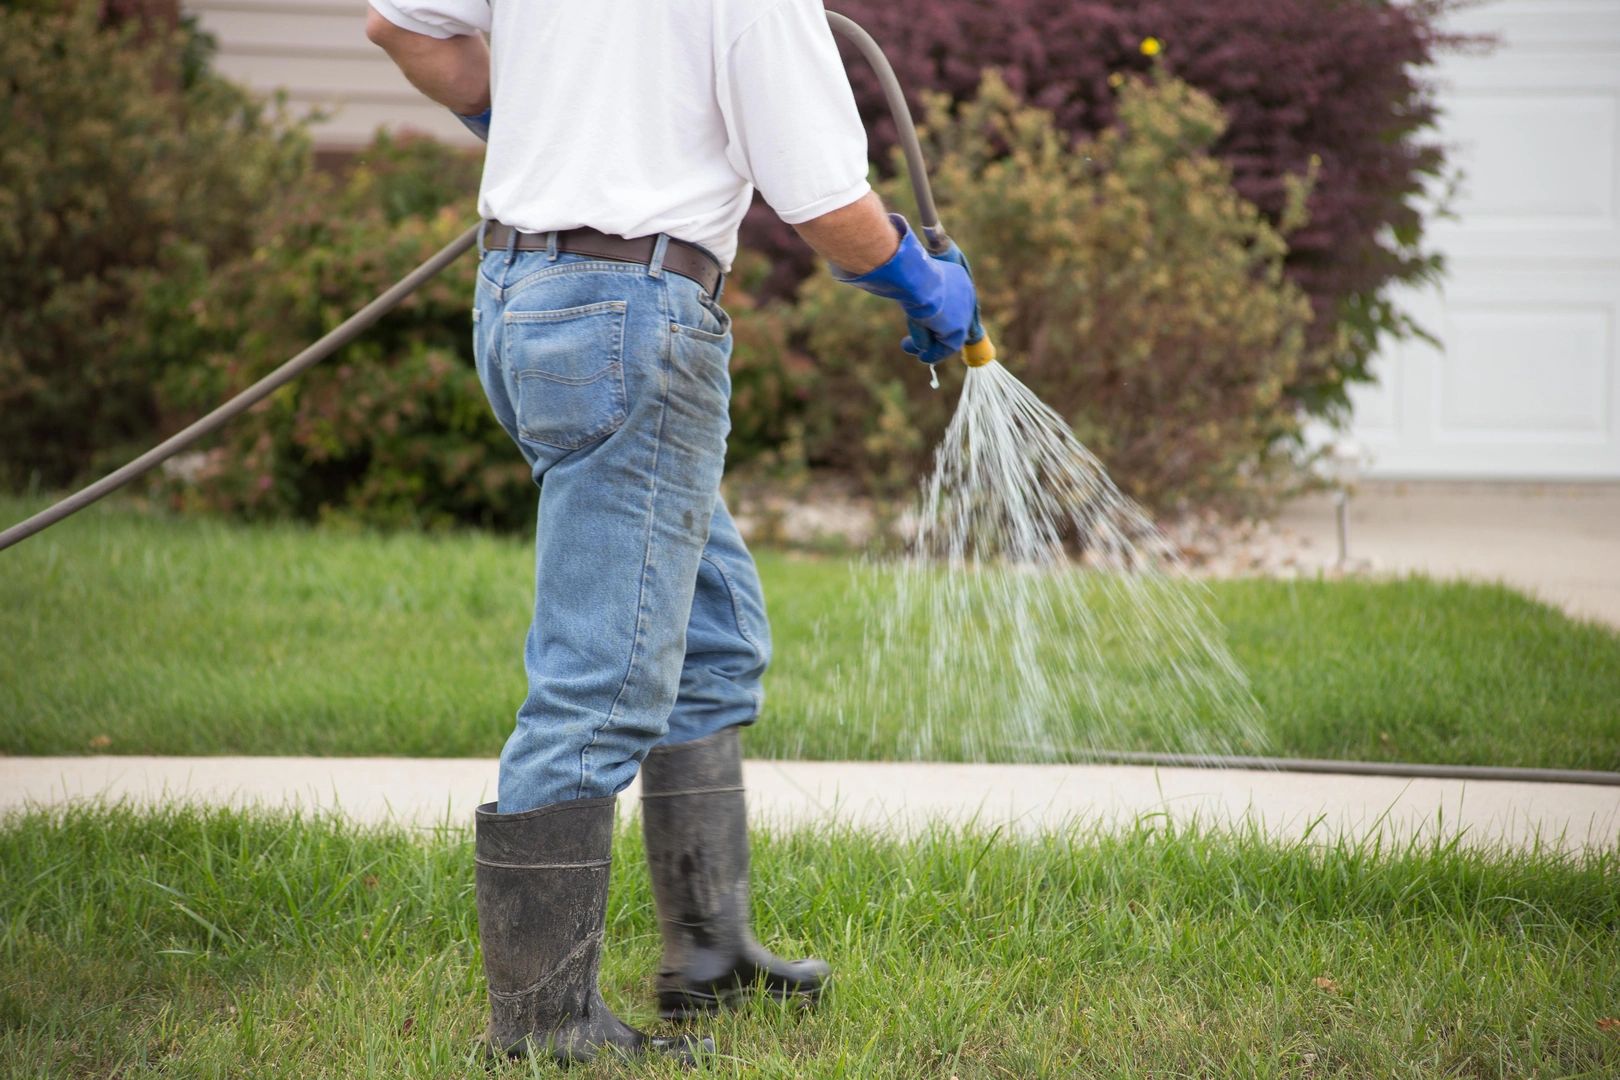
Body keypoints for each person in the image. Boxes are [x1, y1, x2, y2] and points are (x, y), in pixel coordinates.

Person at [365, 0, 978, 1065]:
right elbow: (828, 202)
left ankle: (711, 955)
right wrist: (920, 281)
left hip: (520, 298)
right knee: (600, 684)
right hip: (630, 316)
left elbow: (401, 27)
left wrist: (543, 126)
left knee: (710, 632)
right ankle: (546, 1028)